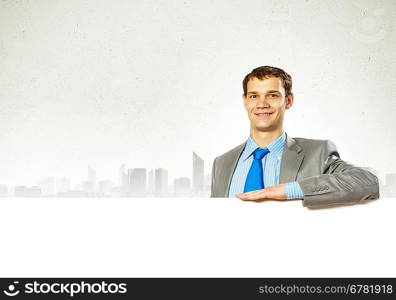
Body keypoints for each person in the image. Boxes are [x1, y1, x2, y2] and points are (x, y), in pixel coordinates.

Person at [210, 66, 379, 207]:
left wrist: (289, 191)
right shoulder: (222, 163)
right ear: (245, 101)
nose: (262, 104)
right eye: (254, 96)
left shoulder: (317, 153)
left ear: (289, 100)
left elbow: (368, 181)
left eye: (272, 95)